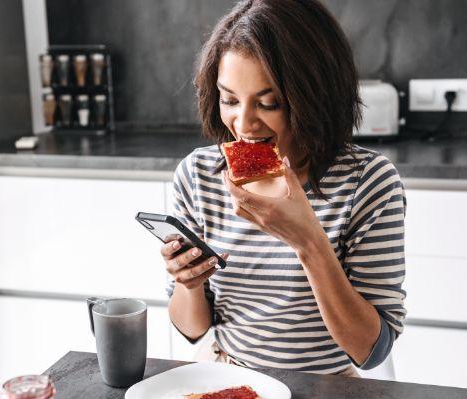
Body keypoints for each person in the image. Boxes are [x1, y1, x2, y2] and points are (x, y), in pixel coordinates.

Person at [161, 0, 406, 376]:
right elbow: (192, 330)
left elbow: (371, 351)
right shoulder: (198, 175)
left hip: (329, 391)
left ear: (315, 96)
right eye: (229, 99)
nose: (243, 123)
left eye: (269, 103)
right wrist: (189, 284)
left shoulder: (368, 183)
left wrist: (308, 241)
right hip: (228, 375)